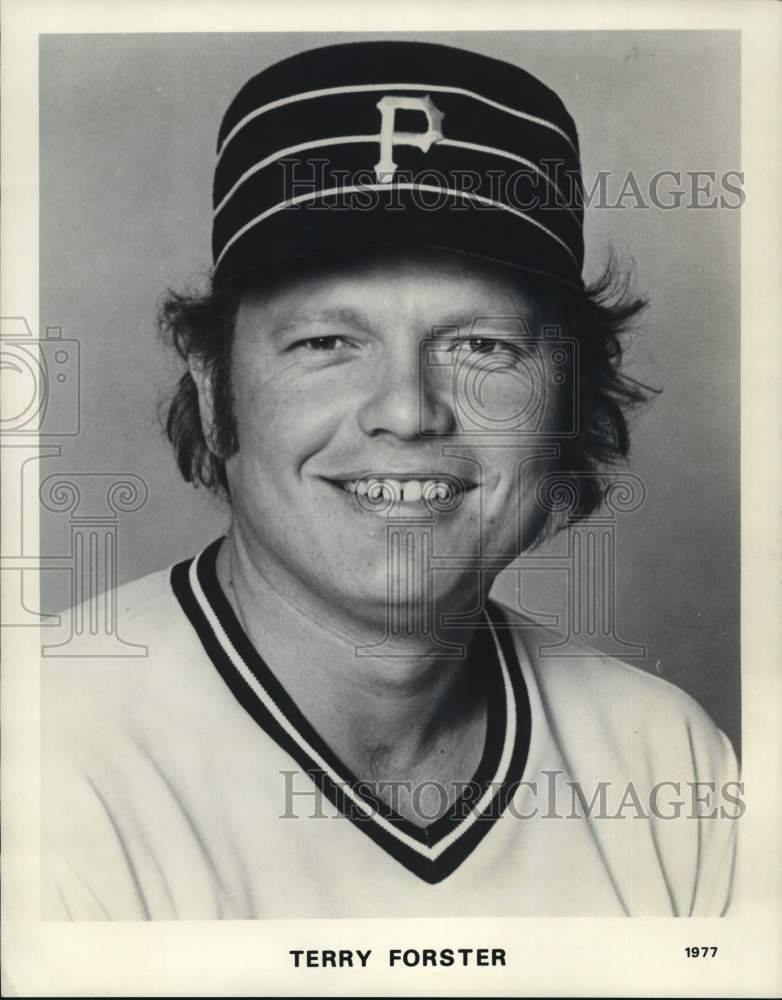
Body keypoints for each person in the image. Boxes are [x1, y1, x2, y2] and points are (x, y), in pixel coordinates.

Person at [42, 40, 739, 919]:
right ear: (216, 393)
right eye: (327, 342)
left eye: (481, 346)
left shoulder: (668, 768)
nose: (408, 412)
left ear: (567, 399)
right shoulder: (35, 753)